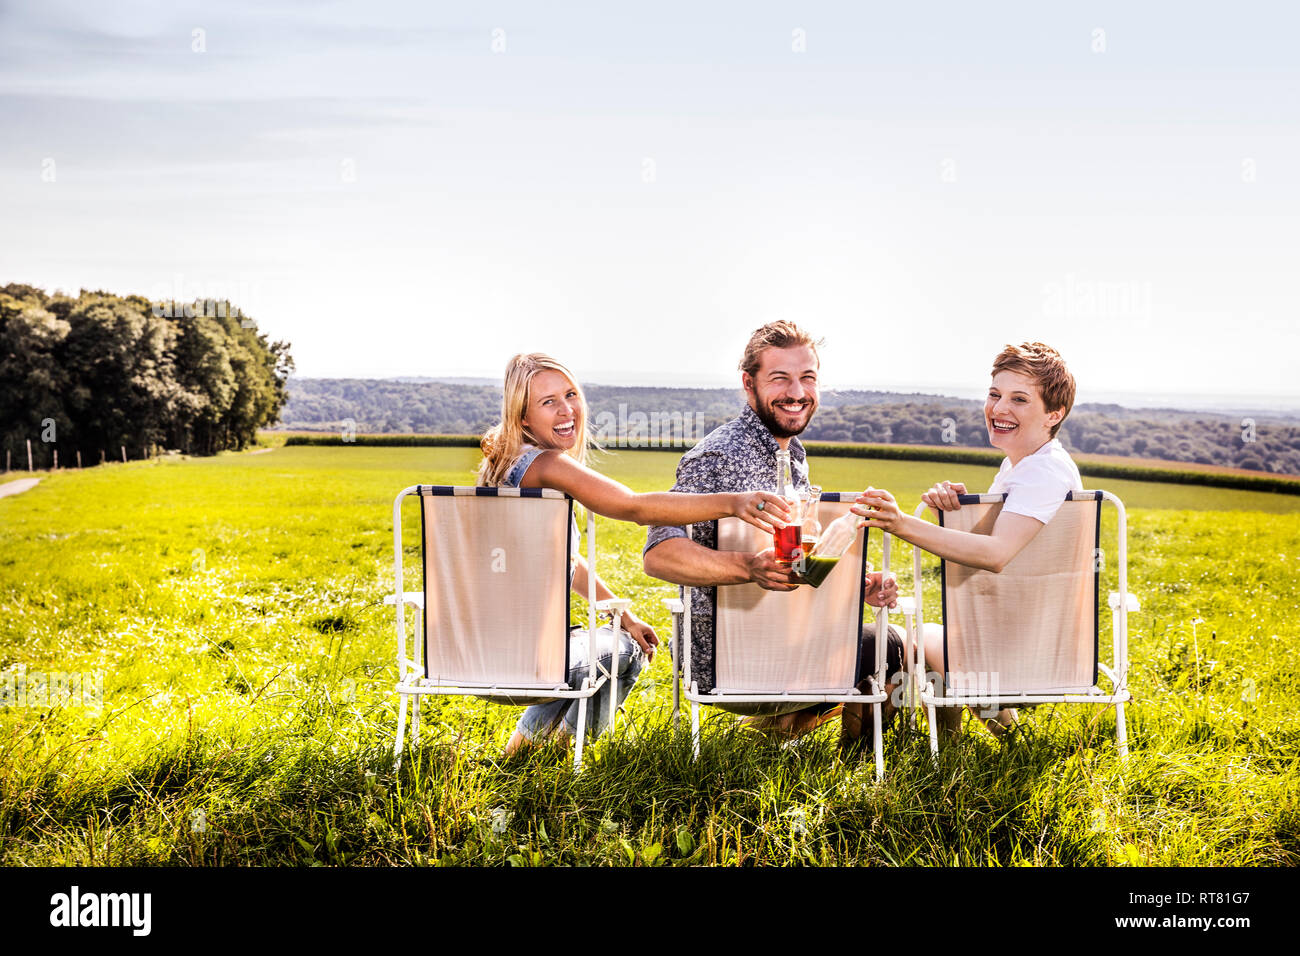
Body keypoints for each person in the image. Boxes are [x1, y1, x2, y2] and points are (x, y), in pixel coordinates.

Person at [478, 352, 791, 756]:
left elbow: (565, 563)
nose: (566, 409)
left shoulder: (504, 469)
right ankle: (556, 760)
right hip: (525, 662)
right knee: (624, 654)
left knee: (606, 639)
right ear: (522, 417)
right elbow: (634, 506)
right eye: (548, 401)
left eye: (570, 394)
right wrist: (732, 503)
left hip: (474, 655)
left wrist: (623, 615)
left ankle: (517, 757)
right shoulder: (545, 465)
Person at [642, 321, 902, 744]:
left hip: (786, 635)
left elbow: (795, 560)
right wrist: (749, 567)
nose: (797, 392)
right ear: (749, 384)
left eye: (807, 378)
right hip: (721, 660)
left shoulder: (794, 457)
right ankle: (852, 781)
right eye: (780, 378)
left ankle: (771, 734)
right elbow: (660, 556)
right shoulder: (715, 456)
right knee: (888, 645)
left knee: (878, 635)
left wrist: (860, 584)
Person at [853, 341, 1081, 736]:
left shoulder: (1043, 473)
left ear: (1053, 414)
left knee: (907, 642)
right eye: (995, 395)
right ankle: (1008, 739)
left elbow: (995, 554)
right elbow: (989, 547)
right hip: (1028, 637)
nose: (999, 409)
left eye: (1020, 399)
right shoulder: (1023, 467)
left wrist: (900, 522)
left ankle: (905, 752)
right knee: (939, 637)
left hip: (1024, 651)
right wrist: (953, 511)